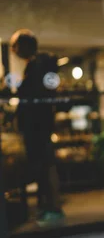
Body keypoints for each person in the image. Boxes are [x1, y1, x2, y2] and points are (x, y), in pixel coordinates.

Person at [10, 29, 64, 224]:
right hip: (40, 126)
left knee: (44, 165)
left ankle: (52, 208)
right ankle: (49, 207)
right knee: (45, 165)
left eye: (15, 46)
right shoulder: (37, 66)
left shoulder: (37, 66)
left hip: (38, 127)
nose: (13, 50)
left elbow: (36, 97)